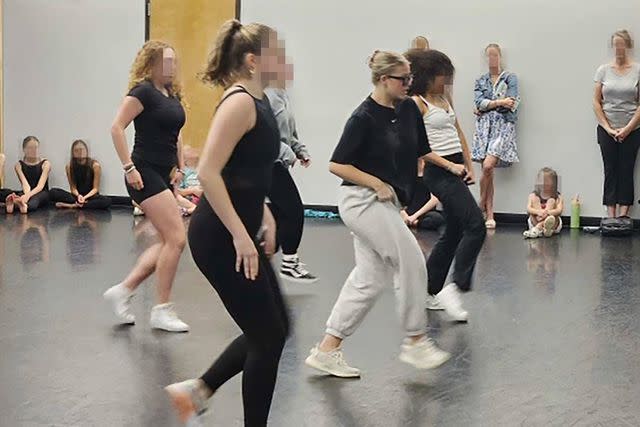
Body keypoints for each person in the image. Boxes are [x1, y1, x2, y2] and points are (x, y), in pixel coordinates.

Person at [164, 20, 291, 427]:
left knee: (276, 328)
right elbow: (209, 173)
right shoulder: (238, 103)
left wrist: (265, 212)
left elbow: (250, 170)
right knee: (267, 336)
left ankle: (197, 392)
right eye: (276, 53)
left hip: (239, 230)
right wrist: (241, 235)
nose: (284, 61)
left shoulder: (262, 101)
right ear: (254, 61)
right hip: (219, 237)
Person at [304, 50, 451, 380]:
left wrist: (446, 169)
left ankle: (328, 350)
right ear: (384, 79)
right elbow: (337, 164)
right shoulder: (364, 117)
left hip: (383, 203)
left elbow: (417, 151)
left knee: (369, 280)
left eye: (410, 78)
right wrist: (376, 183)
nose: (408, 84)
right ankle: (415, 340)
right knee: (411, 258)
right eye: (403, 79)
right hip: (360, 200)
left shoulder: (403, 111)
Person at [103, 40, 189, 333]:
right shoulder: (143, 92)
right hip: (144, 173)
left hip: (164, 174)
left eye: (174, 62)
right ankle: (161, 309)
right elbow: (116, 127)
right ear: (151, 63)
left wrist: (180, 167)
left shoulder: (171, 93)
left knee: (168, 241)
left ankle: (123, 291)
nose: (172, 67)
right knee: (177, 239)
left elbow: (176, 135)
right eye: (166, 62)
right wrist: (129, 167)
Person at [405, 48, 486, 321]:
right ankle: (455, 286)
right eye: (443, 76)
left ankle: (428, 290)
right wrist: (449, 166)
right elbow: (418, 147)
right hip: (438, 172)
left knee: (453, 231)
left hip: (456, 168)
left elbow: (458, 130)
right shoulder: (415, 103)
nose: (447, 81)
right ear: (429, 75)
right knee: (475, 225)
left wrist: (468, 164)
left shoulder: (443, 98)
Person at [264, 80, 318, 283]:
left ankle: (260, 256)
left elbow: (288, 132)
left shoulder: (281, 94)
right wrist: (288, 153)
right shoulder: (267, 95)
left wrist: (299, 150)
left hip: (279, 161)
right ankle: (289, 262)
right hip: (268, 162)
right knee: (293, 210)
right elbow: (268, 135)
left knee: (280, 214)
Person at [472, 43, 520, 229]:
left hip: (503, 126)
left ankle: (479, 206)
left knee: (488, 165)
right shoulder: (480, 80)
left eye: (495, 55)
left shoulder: (510, 78)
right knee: (487, 171)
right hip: (484, 128)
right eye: (489, 55)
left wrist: (487, 106)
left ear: (500, 57)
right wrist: (498, 102)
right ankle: (489, 213)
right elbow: (478, 102)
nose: (492, 59)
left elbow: (512, 102)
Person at [593, 29, 640, 219]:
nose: (619, 48)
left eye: (622, 44)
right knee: (610, 169)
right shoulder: (603, 70)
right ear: (613, 47)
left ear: (628, 46)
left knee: (627, 169)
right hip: (607, 129)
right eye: (616, 45)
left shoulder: (638, 70)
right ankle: (611, 214)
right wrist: (607, 128)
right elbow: (596, 102)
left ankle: (623, 214)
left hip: (633, 129)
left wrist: (628, 129)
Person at [50, 139, 112, 210]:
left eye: (82, 150)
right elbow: (73, 188)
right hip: (76, 196)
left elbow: (95, 189)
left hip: (90, 196)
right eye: (77, 150)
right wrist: (79, 196)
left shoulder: (95, 165)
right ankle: (82, 205)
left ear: (87, 151)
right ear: (73, 153)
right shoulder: (69, 166)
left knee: (107, 201)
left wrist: (84, 197)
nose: (80, 152)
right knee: (53, 192)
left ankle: (73, 206)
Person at [5, 136, 51, 214]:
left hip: (41, 192)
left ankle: (22, 205)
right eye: (30, 148)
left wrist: (27, 196)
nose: (34, 150)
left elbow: (40, 186)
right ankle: (15, 203)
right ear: (24, 150)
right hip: (27, 190)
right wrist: (25, 196)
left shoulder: (46, 164)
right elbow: (25, 185)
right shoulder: (18, 165)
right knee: (13, 193)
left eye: (36, 147)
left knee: (36, 200)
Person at [401, 158, 445, 231]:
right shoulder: (406, 173)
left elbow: (434, 199)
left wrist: (415, 216)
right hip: (407, 212)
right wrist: (403, 212)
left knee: (437, 218)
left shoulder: (431, 173)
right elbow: (399, 196)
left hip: (424, 213)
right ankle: (409, 221)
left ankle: (414, 222)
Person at [523, 167, 564, 239]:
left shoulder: (557, 196)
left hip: (553, 225)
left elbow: (559, 210)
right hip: (535, 221)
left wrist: (548, 213)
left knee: (551, 201)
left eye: (547, 181)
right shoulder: (533, 195)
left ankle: (540, 228)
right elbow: (528, 208)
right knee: (534, 200)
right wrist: (539, 212)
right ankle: (542, 229)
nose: (544, 183)